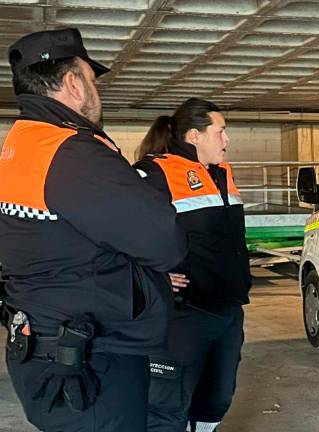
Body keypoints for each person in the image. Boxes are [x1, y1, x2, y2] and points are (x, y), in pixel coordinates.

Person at [0, 28, 185, 432]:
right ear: (72, 83)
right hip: (92, 363)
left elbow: (65, 243)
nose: (96, 90)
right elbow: (165, 241)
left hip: (45, 347)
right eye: (91, 78)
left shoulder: (20, 146)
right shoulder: (71, 151)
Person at [134, 98, 251, 432]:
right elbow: (118, 230)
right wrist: (150, 274)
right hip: (185, 315)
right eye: (221, 131)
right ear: (194, 135)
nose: (226, 140)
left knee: (216, 401)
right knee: (167, 408)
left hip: (228, 311)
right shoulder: (154, 172)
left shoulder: (223, 173)